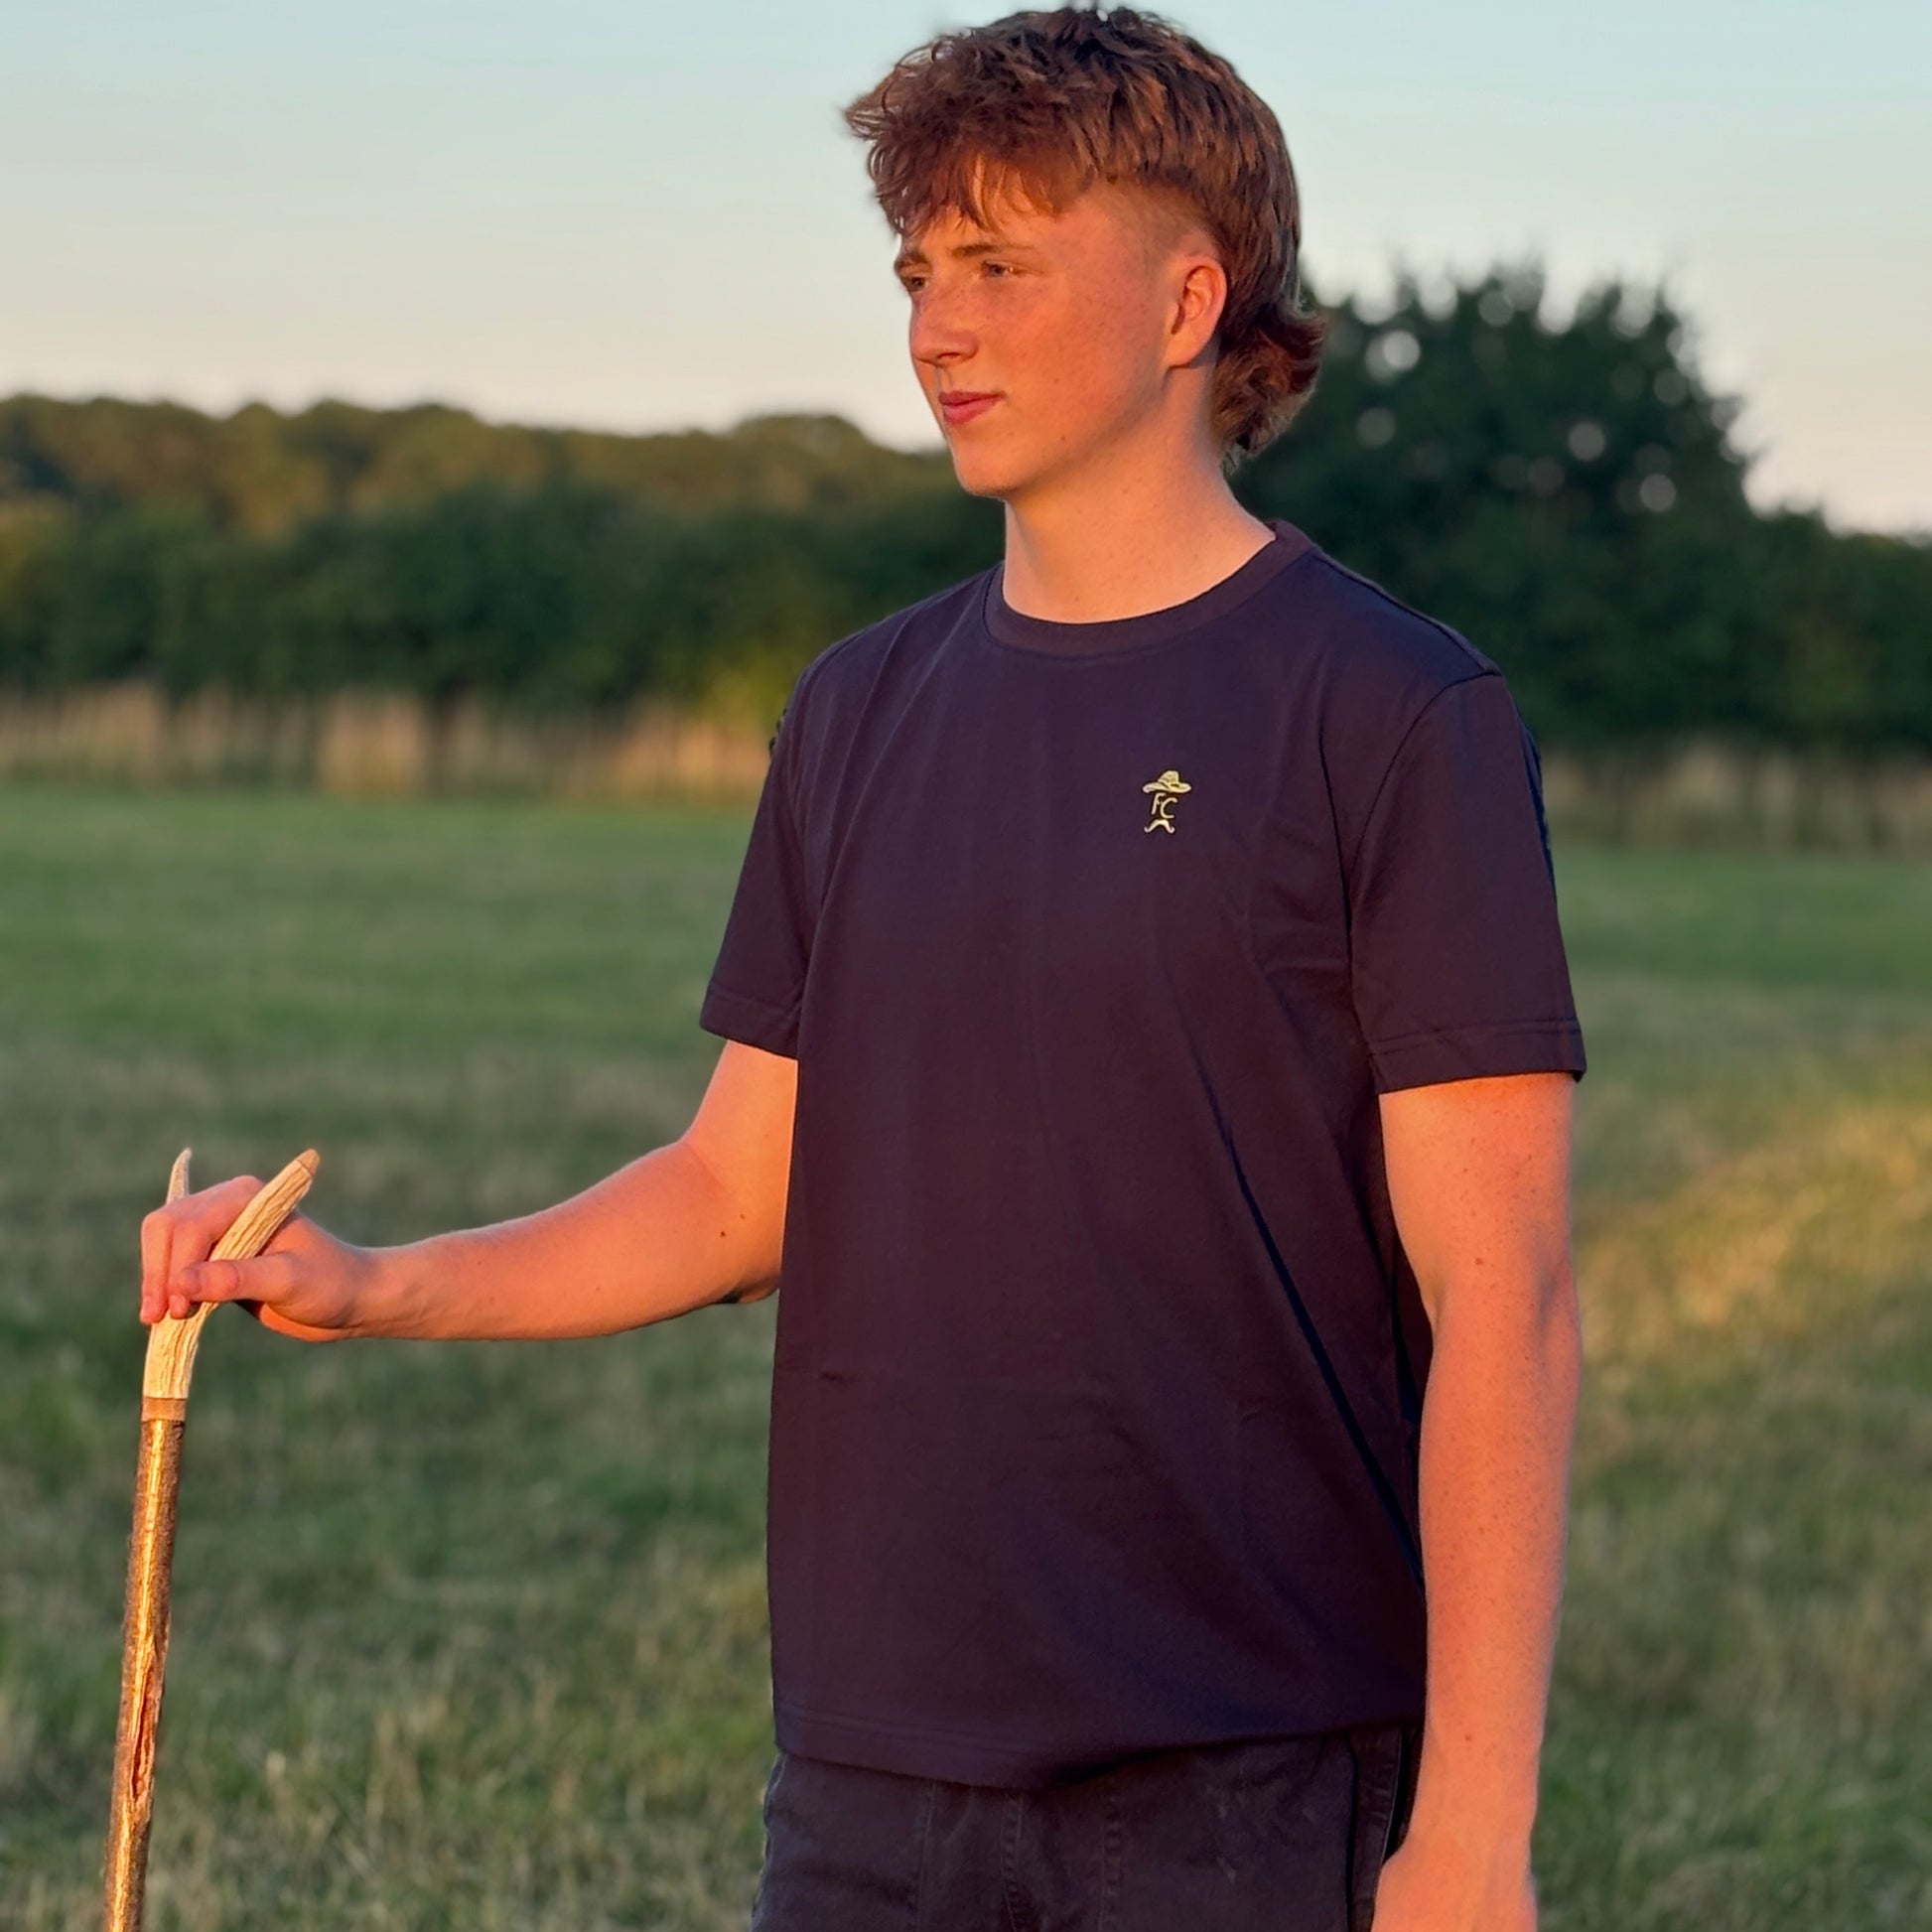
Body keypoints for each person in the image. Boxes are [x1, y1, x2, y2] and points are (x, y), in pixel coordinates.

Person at [139, 7, 1588, 1927]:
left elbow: (1508, 1310)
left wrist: (1470, 1840)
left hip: (1245, 1768)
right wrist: (375, 1281)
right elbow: (739, 1191)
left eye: (1001, 264)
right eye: (919, 268)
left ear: (1185, 302)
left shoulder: (1393, 712)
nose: (936, 326)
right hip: (868, 1771)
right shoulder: (853, 710)